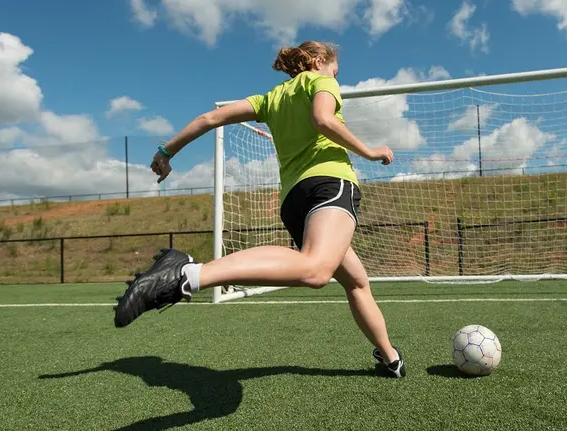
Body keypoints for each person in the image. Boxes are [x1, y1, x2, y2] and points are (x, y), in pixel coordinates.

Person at [113, 41, 406, 378]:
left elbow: (210, 117)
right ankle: (187, 274)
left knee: (356, 281)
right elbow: (323, 119)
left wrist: (166, 151)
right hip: (330, 185)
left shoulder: (271, 99)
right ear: (318, 60)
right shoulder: (321, 80)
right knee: (316, 271)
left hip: (295, 201)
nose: (335, 76)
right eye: (335, 70)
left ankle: (390, 356)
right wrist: (369, 151)